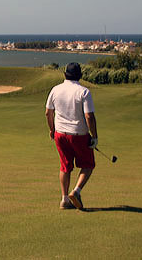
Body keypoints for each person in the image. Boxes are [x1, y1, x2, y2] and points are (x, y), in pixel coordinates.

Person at [45, 62, 98, 210]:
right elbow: (89, 116)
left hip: (60, 134)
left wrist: (52, 129)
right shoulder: (84, 92)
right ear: (80, 75)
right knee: (88, 165)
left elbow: (48, 113)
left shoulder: (55, 90)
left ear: (65, 74)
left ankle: (64, 199)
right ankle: (76, 191)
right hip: (79, 135)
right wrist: (94, 136)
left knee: (65, 166)